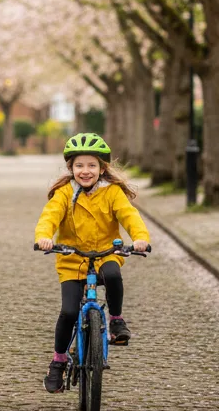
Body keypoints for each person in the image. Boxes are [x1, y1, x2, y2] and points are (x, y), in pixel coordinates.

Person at [34, 132, 150, 394]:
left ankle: (117, 320)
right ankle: (58, 361)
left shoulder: (112, 193)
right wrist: (44, 237)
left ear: (102, 168)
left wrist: (140, 238)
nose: (85, 171)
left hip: (106, 253)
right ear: (70, 168)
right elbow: (49, 218)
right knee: (68, 312)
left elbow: (130, 217)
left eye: (91, 165)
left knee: (113, 275)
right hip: (71, 258)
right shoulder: (64, 194)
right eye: (79, 166)